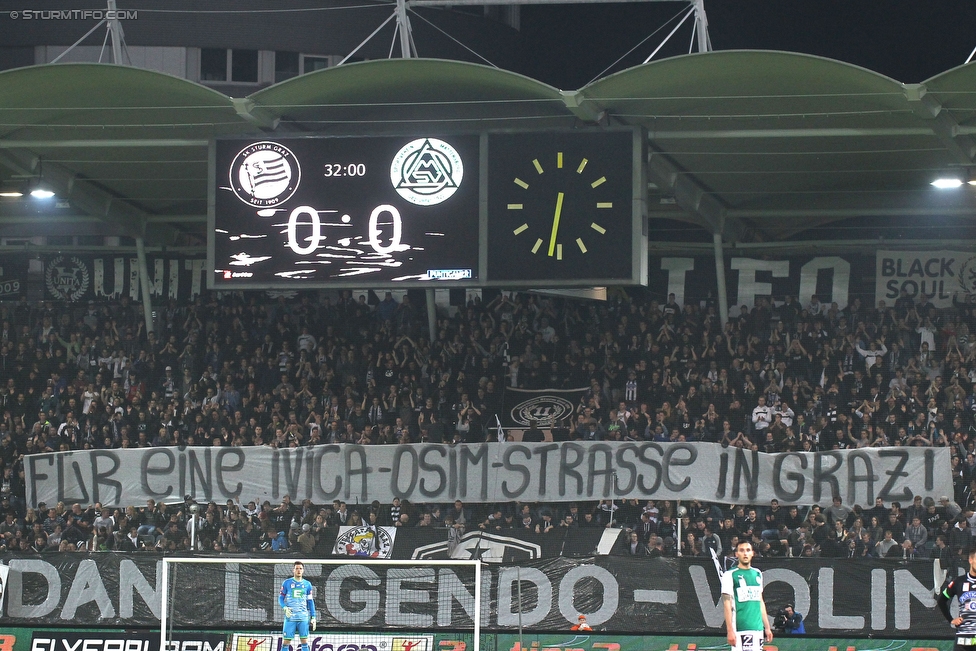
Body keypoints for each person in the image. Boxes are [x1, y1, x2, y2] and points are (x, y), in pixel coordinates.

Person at [721, 540, 773, 651]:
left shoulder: (757, 573)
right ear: (736, 554)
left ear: (752, 553)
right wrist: (730, 630)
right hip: (740, 628)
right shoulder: (730, 575)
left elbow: (760, 601)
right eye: (742, 550)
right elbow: (727, 604)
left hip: (758, 628)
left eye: (748, 550)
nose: (745, 553)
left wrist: (767, 627)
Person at [937, 547, 976, 650]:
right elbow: (941, 601)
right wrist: (951, 619)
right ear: (970, 560)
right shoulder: (959, 582)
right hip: (963, 637)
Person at [279, 560, 317, 651]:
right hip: (290, 617)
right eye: (297, 568)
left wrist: (313, 617)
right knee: (285, 643)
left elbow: (310, 602)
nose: (298, 570)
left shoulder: (307, 584)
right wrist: (284, 608)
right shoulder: (287, 583)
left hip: (303, 617)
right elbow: (280, 598)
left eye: (300, 568)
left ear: (303, 570)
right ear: (293, 570)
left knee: (304, 642)